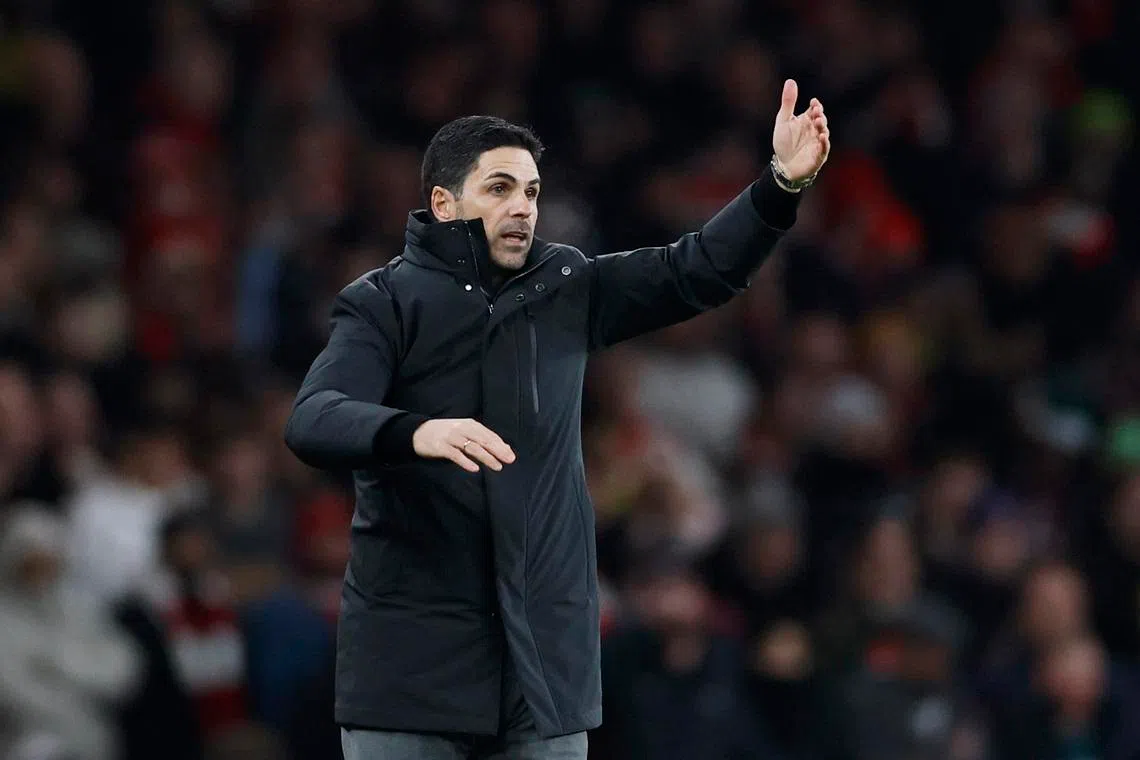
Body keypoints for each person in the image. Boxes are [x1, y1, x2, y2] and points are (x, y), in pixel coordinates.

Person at [284, 78, 830, 760]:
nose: (522, 208)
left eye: (532, 192)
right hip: (414, 665)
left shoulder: (565, 288)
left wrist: (780, 185)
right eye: (500, 189)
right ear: (443, 203)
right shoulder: (382, 304)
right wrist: (416, 431)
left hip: (544, 664)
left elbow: (696, 271)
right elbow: (315, 419)